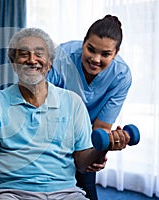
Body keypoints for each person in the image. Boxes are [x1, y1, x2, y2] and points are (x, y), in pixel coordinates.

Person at [0, 28, 130, 200]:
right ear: (13, 63)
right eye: (24, 54)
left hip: (67, 193)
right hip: (12, 193)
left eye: (39, 54)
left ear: (50, 63)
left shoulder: (73, 102)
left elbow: (82, 163)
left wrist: (105, 147)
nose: (32, 60)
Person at [47, 15, 132, 200]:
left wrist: (96, 154)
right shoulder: (63, 56)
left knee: (86, 186)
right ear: (83, 43)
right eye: (90, 49)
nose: (95, 59)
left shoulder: (121, 76)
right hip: (52, 130)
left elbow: (101, 128)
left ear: (116, 53)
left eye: (106, 54)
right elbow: (41, 102)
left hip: (86, 135)